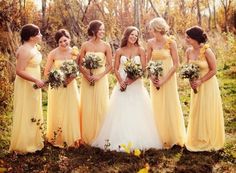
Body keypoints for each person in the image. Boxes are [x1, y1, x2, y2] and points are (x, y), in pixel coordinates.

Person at [92, 26, 162, 151]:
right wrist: (121, 82)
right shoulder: (119, 51)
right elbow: (115, 68)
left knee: (138, 111)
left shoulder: (140, 50)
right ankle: (119, 139)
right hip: (122, 84)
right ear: (127, 35)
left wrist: (131, 80)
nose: (134, 37)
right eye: (132, 34)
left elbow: (144, 68)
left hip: (136, 85)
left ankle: (138, 139)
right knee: (120, 112)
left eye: (136, 35)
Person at [147, 17, 186, 148]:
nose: (150, 31)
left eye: (152, 29)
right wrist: (152, 76)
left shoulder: (171, 42)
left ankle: (173, 136)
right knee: (157, 104)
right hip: (155, 78)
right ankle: (159, 136)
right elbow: (147, 62)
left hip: (168, 78)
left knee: (170, 103)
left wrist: (164, 79)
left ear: (158, 28)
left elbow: (176, 64)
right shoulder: (150, 43)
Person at [184, 26, 225, 151]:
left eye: (188, 37)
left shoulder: (207, 51)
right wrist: (190, 79)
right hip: (195, 85)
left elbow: (214, 70)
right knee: (197, 110)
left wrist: (201, 80)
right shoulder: (188, 51)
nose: (186, 39)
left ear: (195, 38)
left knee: (207, 109)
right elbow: (187, 68)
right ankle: (197, 137)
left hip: (207, 84)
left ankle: (209, 138)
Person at [9, 24, 44, 153]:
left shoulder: (33, 47)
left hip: (34, 84)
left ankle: (33, 140)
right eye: (38, 33)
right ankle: (24, 144)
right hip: (26, 84)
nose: (41, 35)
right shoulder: (24, 49)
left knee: (33, 108)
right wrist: (35, 80)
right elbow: (19, 71)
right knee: (26, 109)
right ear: (31, 37)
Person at [44, 29, 81, 148]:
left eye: (65, 40)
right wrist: (57, 77)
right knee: (58, 110)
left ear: (69, 39)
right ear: (57, 43)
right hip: (58, 87)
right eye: (60, 42)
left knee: (71, 109)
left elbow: (78, 69)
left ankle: (72, 137)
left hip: (70, 85)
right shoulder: (53, 54)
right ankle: (58, 137)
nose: (63, 43)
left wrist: (71, 77)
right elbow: (46, 71)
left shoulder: (75, 52)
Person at [78, 20, 112, 144]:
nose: (102, 32)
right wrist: (87, 74)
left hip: (100, 79)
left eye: (103, 29)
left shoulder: (106, 46)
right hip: (87, 79)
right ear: (93, 31)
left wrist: (99, 76)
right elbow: (80, 64)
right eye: (100, 29)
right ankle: (87, 136)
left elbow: (110, 65)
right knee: (88, 105)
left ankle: (101, 136)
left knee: (101, 105)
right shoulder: (85, 45)